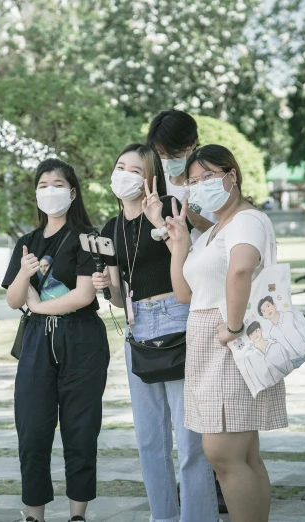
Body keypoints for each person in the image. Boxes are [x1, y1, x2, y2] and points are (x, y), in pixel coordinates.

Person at [92, 143, 220, 522]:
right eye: (120, 167)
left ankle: (198, 517)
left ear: (150, 176)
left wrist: (156, 221)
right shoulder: (110, 228)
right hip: (138, 326)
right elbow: (117, 298)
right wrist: (106, 284)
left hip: (178, 317)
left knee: (189, 438)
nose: (124, 175)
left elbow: (191, 255)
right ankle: (163, 516)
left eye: (134, 170)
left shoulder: (168, 207)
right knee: (150, 439)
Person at [166, 144, 288, 522]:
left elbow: (241, 270)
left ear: (231, 175)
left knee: (222, 453)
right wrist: (181, 245)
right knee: (243, 455)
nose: (201, 185)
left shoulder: (246, 220)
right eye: (193, 181)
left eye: (209, 176)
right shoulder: (215, 229)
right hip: (209, 343)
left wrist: (232, 328)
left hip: (229, 342)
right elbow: (186, 293)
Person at [2, 158, 110, 522]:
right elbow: (14, 299)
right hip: (36, 344)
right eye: (43, 185)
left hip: (81, 340)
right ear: (35, 193)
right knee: (32, 432)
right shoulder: (28, 242)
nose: (50, 191)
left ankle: (77, 514)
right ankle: (35, 515)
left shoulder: (88, 237)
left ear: (73, 191)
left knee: (81, 431)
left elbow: (82, 296)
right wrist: (24, 275)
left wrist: (38, 305)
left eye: (58, 184)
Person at [147, 109, 216, 242]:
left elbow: (229, 235)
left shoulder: (213, 182)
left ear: (192, 143)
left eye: (174, 152)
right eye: (161, 153)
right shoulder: (156, 185)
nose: (167, 159)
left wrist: (196, 221)